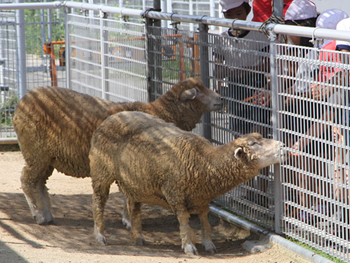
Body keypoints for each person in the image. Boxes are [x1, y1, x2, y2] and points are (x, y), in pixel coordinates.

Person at [214, 0, 271, 207]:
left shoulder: (259, 35)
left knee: (259, 139)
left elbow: (268, 63)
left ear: (247, 11)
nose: (234, 17)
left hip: (257, 90)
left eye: (238, 12)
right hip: (235, 91)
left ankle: (262, 190)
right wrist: (224, 77)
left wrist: (241, 70)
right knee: (240, 141)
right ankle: (248, 188)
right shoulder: (221, 39)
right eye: (229, 14)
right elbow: (218, 68)